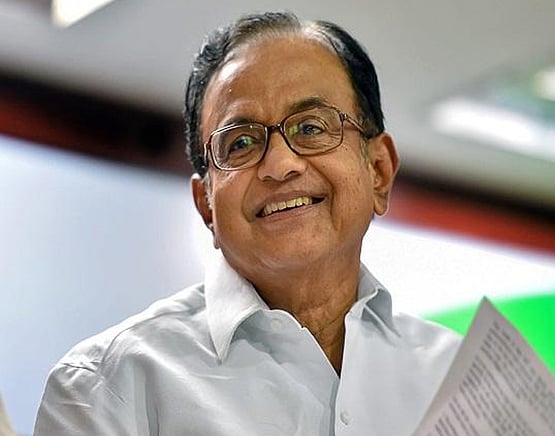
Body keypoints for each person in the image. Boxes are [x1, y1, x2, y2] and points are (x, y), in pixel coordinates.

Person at [34, 11, 461, 435]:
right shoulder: (106, 385)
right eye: (240, 143)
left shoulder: (458, 379)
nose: (280, 164)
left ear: (379, 171)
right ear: (206, 206)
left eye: (310, 127)